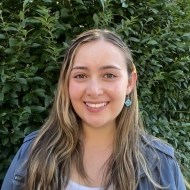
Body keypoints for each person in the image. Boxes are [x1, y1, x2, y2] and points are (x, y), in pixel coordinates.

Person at [1, 29, 187, 190]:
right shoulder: (32, 153)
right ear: (67, 82)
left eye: (109, 75)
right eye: (80, 75)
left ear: (130, 82)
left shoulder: (161, 166)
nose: (94, 91)